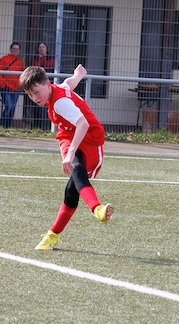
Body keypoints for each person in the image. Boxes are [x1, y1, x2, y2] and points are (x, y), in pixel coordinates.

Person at [19, 64, 114, 251]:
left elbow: (83, 124)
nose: (34, 98)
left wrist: (70, 153)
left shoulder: (60, 103)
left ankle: (57, 233)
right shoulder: (57, 88)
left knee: (72, 189)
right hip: (70, 135)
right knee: (75, 176)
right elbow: (69, 83)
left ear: (47, 84)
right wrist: (78, 75)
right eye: (30, 95)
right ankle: (96, 210)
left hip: (89, 139)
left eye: (36, 92)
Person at [26, 42, 55, 129]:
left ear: (46, 48)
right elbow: (35, 70)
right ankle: (36, 126)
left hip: (46, 86)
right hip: (36, 85)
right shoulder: (34, 59)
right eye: (40, 47)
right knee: (36, 107)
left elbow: (45, 69)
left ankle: (46, 126)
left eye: (43, 47)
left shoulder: (51, 59)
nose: (41, 49)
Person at [0, 42, 24, 128]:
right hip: (6, 87)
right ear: (10, 49)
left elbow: (21, 75)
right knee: (8, 107)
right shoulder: (4, 59)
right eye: (14, 49)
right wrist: (2, 85)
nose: (15, 50)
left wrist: (19, 85)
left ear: (19, 51)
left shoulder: (20, 62)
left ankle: (8, 126)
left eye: (17, 49)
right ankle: (3, 126)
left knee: (12, 109)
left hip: (16, 88)